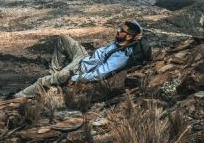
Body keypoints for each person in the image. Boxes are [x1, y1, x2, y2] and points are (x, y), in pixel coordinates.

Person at [13, 21, 144, 98]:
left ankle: (16, 97)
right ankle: (53, 79)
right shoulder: (120, 42)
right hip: (85, 58)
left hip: (79, 70)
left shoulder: (121, 56)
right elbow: (137, 28)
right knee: (63, 39)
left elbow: (100, 74)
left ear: (128, 37)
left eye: (121, 30)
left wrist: (75, 78)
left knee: (42, 81)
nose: (117, 30)